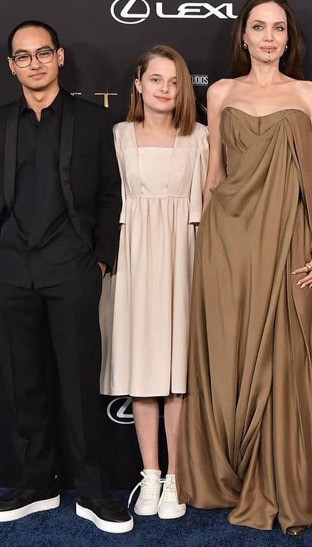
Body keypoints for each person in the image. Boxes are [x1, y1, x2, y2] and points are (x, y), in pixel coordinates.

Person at [176, 0, 312, 535]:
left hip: (287, 236)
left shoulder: (309, 95)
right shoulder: (220, 92)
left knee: (284, 357)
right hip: (228, 237)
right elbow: (215, 173)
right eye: (259, 27)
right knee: (229, 352)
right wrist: (201, 242)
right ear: (243, 35)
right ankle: (226, 476)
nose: (268, 37)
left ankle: (278, 483)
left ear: (289, 38)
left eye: (278, 28)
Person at [0, 21, 132, 533]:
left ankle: (92, 490)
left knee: (79, 384)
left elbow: (110, 195)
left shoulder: (94, 121)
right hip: (12, 268)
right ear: (12, 66)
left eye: (42, 53)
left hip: (72, 268)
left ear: (60, 57)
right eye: (23, 56)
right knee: (22, 383)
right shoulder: (3, 122)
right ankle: (36, 483)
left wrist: (99, 260)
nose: (33, 63)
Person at [99, 45, 208, 520]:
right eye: (157, 79)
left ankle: (177, 478)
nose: (166, 89)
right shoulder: (119, 135)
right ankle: (150, 474)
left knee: (178, 373)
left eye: (175, 81)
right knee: (144, 370)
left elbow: (210, 206)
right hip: (135, 258)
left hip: (184, 257)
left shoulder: (201, 137)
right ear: (138, 84)